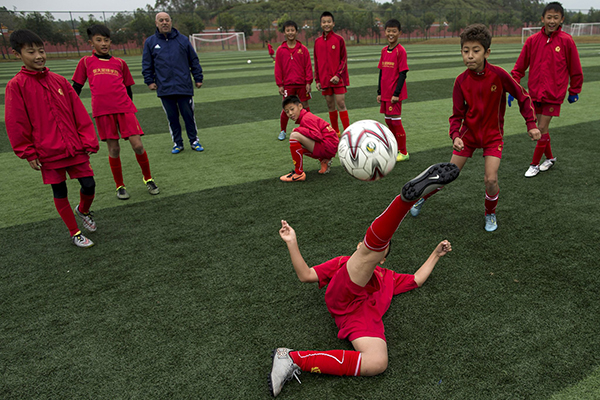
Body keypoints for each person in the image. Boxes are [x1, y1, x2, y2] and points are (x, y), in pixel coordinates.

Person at [269, 162, 460, 397]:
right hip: (342, 299)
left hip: (363, 320)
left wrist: (436, 254)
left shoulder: (387, 277)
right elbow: (306, 275)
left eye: (384, 251)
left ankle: (290, 358)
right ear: (360, 244)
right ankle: (405, 201)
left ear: (384, 261)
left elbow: (417, 280)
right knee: (369, 253)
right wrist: (292, 242)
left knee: (377, 362)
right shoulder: (342, 262)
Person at [408, 24, 541, 232]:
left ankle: (490, 213)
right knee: (447, 176)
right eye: (465, 51)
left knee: (491, 179)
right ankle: (421, 198)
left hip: (492, 137)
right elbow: (456, 115)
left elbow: (523, 97)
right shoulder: (460, 81)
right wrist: (455, 136)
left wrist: (531, 124)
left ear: (487, 52)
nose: (470, 56)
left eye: (475, 51)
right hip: (468, 138)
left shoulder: (499, 75)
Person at [5, 29, 99, 248]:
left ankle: (83, 210)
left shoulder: (59, 81)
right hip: (47, 152)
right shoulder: (16, 86)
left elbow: (79, 113)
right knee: (60, 190)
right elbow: (16, 122)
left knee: (89, 184)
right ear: (17, 54)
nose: (38, 56)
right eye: (31, 52)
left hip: (75, 148)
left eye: (41, 51)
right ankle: (74, 232)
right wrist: (28, 152)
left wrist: (88, 139)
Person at [73, 25, 159, 200]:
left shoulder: (120, 63)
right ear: (91, 43)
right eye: (99, 40)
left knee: (138, 145)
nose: (103, 44)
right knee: (114, 149)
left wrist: (129, 107)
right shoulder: (85, 62)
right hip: (103, 112)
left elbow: (128, 89)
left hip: (125, 109)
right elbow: (76, 89)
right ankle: (120, 186)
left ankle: (148, 179)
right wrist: (70, 111)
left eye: (106, 40)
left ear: (110, 41)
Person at [509, 1, 583, 178]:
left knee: (539, 129)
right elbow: (519, 68)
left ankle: (533, 165)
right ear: (542, 18)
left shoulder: (566, 41)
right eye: (549, 17)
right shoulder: (532, 41)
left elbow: (575, 69)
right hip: (534, 94)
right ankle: (549, 159)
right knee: (542, 130)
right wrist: (513, 86)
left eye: (556, 18)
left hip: (553, 95)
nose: (552, 21)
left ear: (561, 19)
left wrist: (574, 90)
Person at [142, 12, 205, 154]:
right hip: (164, 88)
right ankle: (177, 143)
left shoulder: (182, 40)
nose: (164, 23)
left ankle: (194, 141)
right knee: (172, 118)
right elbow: (147, 64)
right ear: (156, 23)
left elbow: (193, 60)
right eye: (161, 20)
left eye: (167, 20)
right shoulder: (151, 42)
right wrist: (149, 81)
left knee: (188, 116)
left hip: (184, 86)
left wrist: (198, 77)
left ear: (171, 22)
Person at [279, 96, 338, 182]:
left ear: (300, 106)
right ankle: (324, 160)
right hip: (329, 146)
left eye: (292, 109)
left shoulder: (306, 118)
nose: (290, 113)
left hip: (327, 147)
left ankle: (298, 174)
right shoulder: (306, 116)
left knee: (294, 136)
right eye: (287, 112)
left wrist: (298, 129)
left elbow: (317, 135)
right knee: (297, 148)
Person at [377, 19, 410, 162]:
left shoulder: (400, 51)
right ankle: (394, 149)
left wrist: (396, 94)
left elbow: (403, 73)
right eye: (388, 31)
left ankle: (403, 152)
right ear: (385, 32)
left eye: (394, 31)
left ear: (399, 33)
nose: (391, 34)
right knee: (388, 122)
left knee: (396, 122)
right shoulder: (384, 50)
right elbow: (381, 72)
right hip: (384, 93)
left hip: (394, 94)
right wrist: (379, 92)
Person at [275, 20, 313, 141]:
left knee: (305, 106)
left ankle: (309, 128)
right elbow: (278, 69)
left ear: (296, 32)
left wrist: (308, 82)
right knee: (286, 108)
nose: (290, 33)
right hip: (288, 84)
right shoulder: (280, 50)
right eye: (288, 30)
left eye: (292, 30)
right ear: (284, 33)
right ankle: (283, 131)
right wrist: (280, 84)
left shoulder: (303, 49)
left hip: (302, 83)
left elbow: (308, 66)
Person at [313, 11, 350, 136]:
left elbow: (343, 59)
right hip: (324, 80)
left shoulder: (339, 39)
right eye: (324, 22)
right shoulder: (317, 42)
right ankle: (336, 131)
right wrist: (317, 80)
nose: (326, 24)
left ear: (333, 23)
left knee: (341, 103)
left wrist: (338, 75)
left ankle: (348, 132)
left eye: (329, 22)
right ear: (321, 24)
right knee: (330, 105)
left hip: (338, 79)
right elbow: (316, 62)